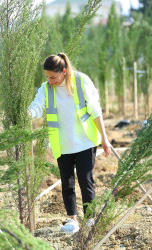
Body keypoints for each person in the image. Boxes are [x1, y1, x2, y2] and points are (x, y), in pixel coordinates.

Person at [28, 53, 111, 233]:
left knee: (85, 179)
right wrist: (27, 114)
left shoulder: (81, 82)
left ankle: (90, 218)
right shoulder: (46, 88)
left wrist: (104, 138)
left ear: (64, 71)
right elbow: (37, 106)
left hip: (85, 141)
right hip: (62, 144)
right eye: (47, 77)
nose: (50, 81)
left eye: (53, 77)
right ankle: (72, 219)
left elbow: (95, 110)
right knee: (67, 182)